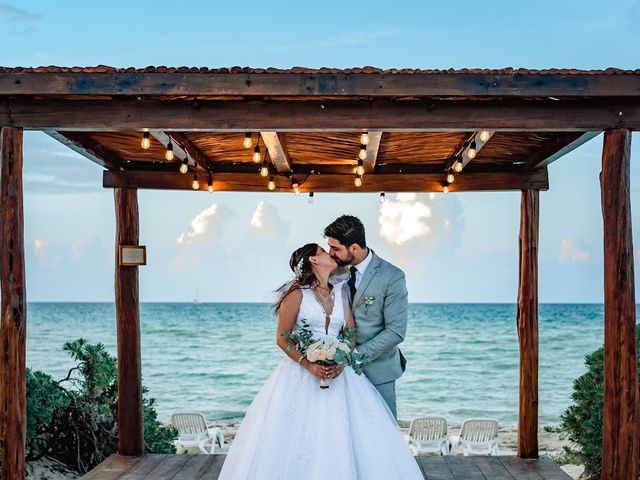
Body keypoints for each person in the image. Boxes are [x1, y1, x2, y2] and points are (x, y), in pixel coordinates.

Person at [218, 243, 422, 480]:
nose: (330, 253)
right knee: (300, 434)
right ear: (314, 261)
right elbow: (282, 338)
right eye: (324, 251)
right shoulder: (296, 294)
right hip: (301, 375)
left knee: (344, 432)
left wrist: (342, 359)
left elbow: (350, 333)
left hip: (340, 375)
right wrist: (308, 363)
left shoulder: (340, 293)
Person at [324, 214, 408, 420]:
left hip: (379, 371)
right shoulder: (332, 273)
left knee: (383, 432)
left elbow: (396, 331)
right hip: (338, 373)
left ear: (353, 248)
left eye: (335, 248)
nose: (330, 253)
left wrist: (353, 357)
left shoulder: (392, 276)